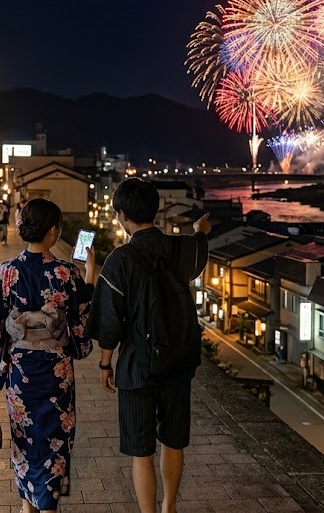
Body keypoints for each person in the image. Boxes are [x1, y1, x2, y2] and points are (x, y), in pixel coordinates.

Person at [85, 178, 211, 513]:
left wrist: (104, 363)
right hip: (176, 362)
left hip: (136, 367)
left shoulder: (119, 260)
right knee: (173, 440)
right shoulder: (181, 249)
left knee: (141, 450)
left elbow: (109, 324)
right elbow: (199, 248)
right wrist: (201, 230)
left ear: (122, 215)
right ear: (154, 210)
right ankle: (169, 506)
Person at [0, 198, 97, 513]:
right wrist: (91, 271)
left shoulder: (6, 272)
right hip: (56, 375)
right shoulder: (66, 273)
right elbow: (80, 319)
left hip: (19, 374)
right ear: (53, 231)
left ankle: (28, 506)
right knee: (55, 443)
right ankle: (47, 507)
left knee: (24, 441)